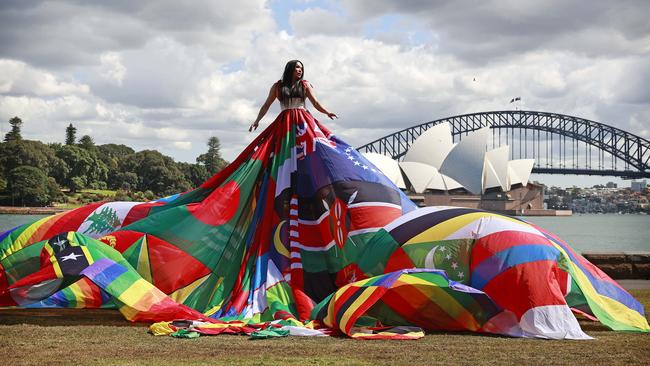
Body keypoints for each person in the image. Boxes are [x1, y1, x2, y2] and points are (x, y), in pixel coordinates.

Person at [249, 60, 337, 132]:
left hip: (302, 119)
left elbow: (315, 102)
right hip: (284, 120)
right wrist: (257, 121)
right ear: (290, 69)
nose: (300, 70)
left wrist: (327, 112)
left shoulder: (305, 85)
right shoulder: (277, 86)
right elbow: (266, 105)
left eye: (301, 68)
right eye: (297, 67)